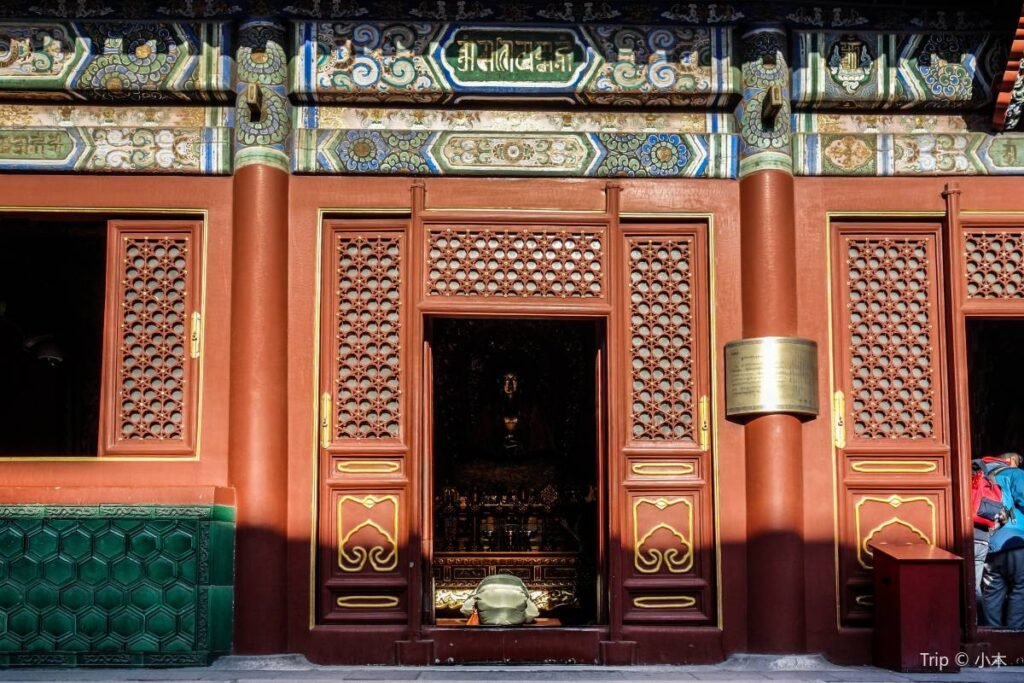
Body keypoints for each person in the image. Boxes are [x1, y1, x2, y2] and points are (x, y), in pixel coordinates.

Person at [981, 451, 1024, 628]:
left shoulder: (980, 476)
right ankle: (1014, 635)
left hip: (989, 543)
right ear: (1010, 461)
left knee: (992, 592)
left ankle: (993, 634)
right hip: (1016, 541)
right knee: (1020, 588)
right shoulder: (1015, 474)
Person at [460, 574, 539, 626]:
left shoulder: (484, 583)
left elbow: (466, 609)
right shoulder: (520, 584)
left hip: (486, 627)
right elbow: (533, 613)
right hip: (516, 626)